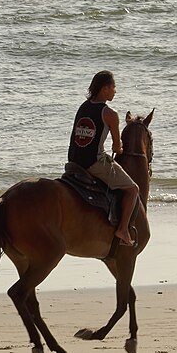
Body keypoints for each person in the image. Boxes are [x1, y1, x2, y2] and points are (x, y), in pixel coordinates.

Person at [69, 70, 138, 246]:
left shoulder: (83, 106)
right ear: (105, 89)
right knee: (133, 189)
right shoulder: (110, 113)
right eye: (114, 87)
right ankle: (122, 230)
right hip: (94, 162)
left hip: (73, 161)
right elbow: (117, 146)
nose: (115, 91)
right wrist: (120, 149)